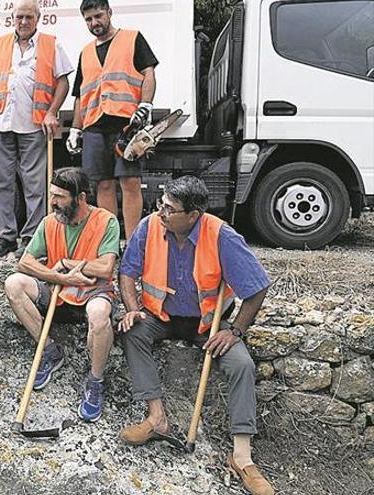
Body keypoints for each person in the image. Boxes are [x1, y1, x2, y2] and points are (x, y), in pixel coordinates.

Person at [117, 176, 274, 495]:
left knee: (241, 364)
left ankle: (241, 456)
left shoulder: (222, 236)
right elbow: (127, 272)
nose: (160, 211)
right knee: (131, 332)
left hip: (208, 326)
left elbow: (257, 288)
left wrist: (236, 330)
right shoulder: (149, 227)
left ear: (193, 215)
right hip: (160, 316)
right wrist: (132, 307)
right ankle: (157, 418)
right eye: (161, 204)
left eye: (169, 208)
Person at [4, 168, 119, 422]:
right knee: (14, 284)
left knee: (100, 314)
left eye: (60, 197)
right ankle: (49, 351)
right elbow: (25, 262)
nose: (53, 202)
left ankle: (95, 380)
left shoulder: (106, 220)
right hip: (58, 293)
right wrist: (61, 278)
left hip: (92, 293)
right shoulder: (50, 222)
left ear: (80, 198)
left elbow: (105, 268)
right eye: (52, 195)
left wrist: (67, 263)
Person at [0, 0, 74, 259]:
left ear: (38, 19)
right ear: (12, 18)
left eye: (29, 17)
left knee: (34, 183)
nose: (24, 22)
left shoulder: (52, 44)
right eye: (19, 17)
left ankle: (31, 238)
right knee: (1, 181)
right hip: (1, 123)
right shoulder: (1, 43)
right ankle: (6, 238)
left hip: (33, 125)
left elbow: (63, 83)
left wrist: (52, 112)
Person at [65, 0, 158, 240]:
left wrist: (145, 105)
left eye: (98, 16)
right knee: (102, 185)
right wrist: (75, 129)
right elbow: (80, 95)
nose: (94, 23)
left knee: (130, 182)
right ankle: (111, 241)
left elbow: (148, 72)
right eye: (88, 19)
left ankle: (135, 243)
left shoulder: (132, 38)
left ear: (109, 13)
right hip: (94, 126)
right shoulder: (85, 52)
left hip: (126, 125)